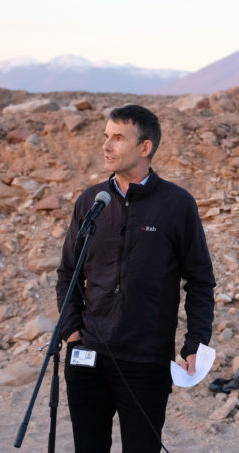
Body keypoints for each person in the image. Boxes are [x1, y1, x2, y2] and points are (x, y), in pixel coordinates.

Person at [56, 104, 215, 453]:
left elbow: (200, 280)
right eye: (105, 137)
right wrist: (71, 329)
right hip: (88, 355)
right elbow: (69, 270)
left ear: (145, 147)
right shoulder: (91, 201)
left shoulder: (176, 204)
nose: (106, 146)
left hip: (146, 362)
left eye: (117, 138)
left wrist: (195, 342)